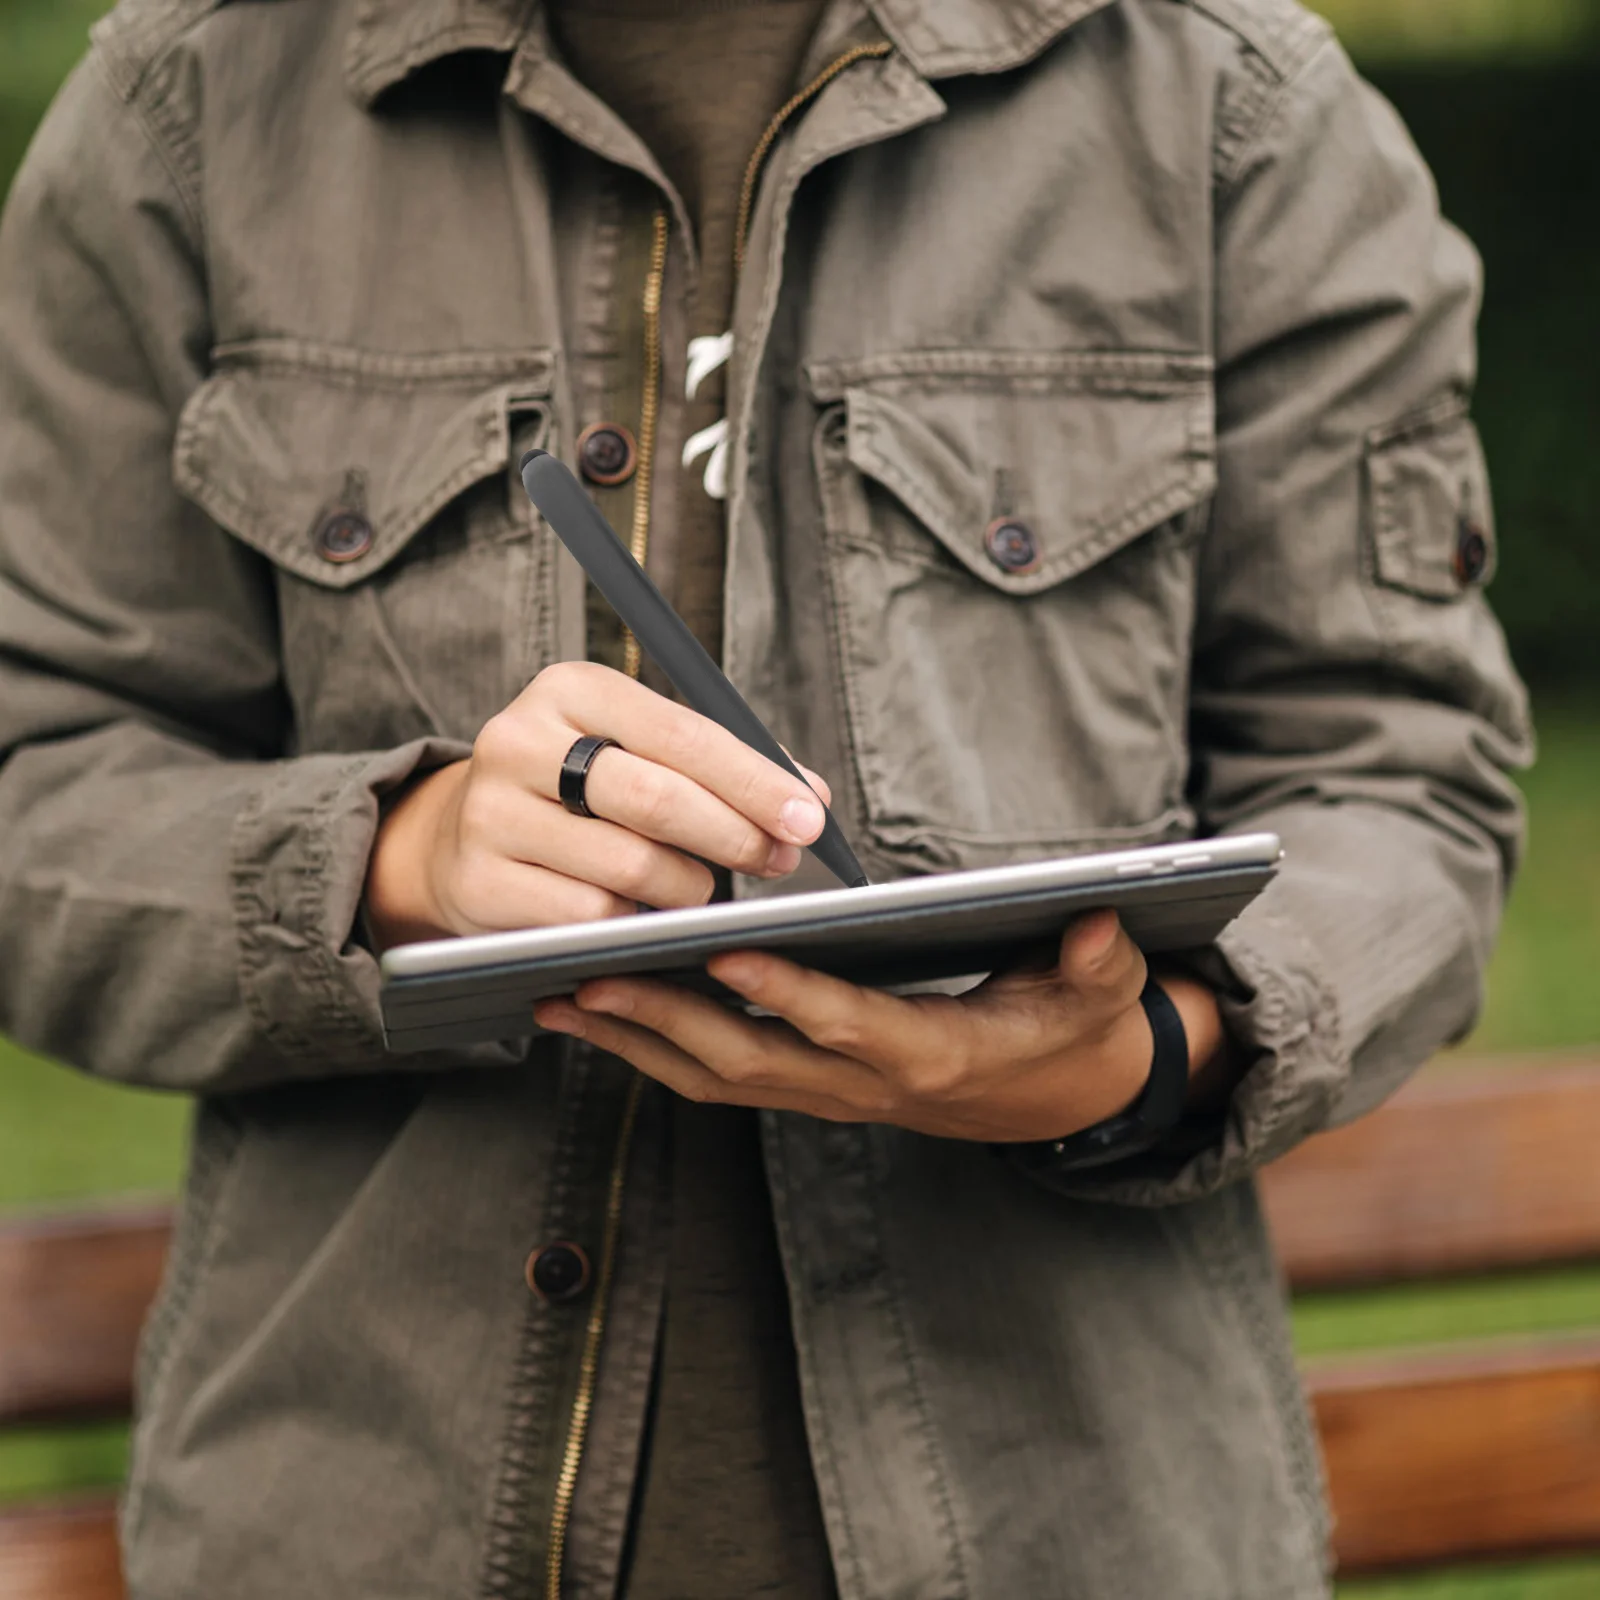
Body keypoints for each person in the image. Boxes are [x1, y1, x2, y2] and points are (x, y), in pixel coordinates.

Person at [0, 0, 1531, 1595]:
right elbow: (36, 794)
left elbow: (1403, 780)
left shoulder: (1231, 104)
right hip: (350, 1534)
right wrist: (397, 857)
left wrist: (1140, 1054)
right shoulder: (192, 108)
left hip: (1084, 1530)